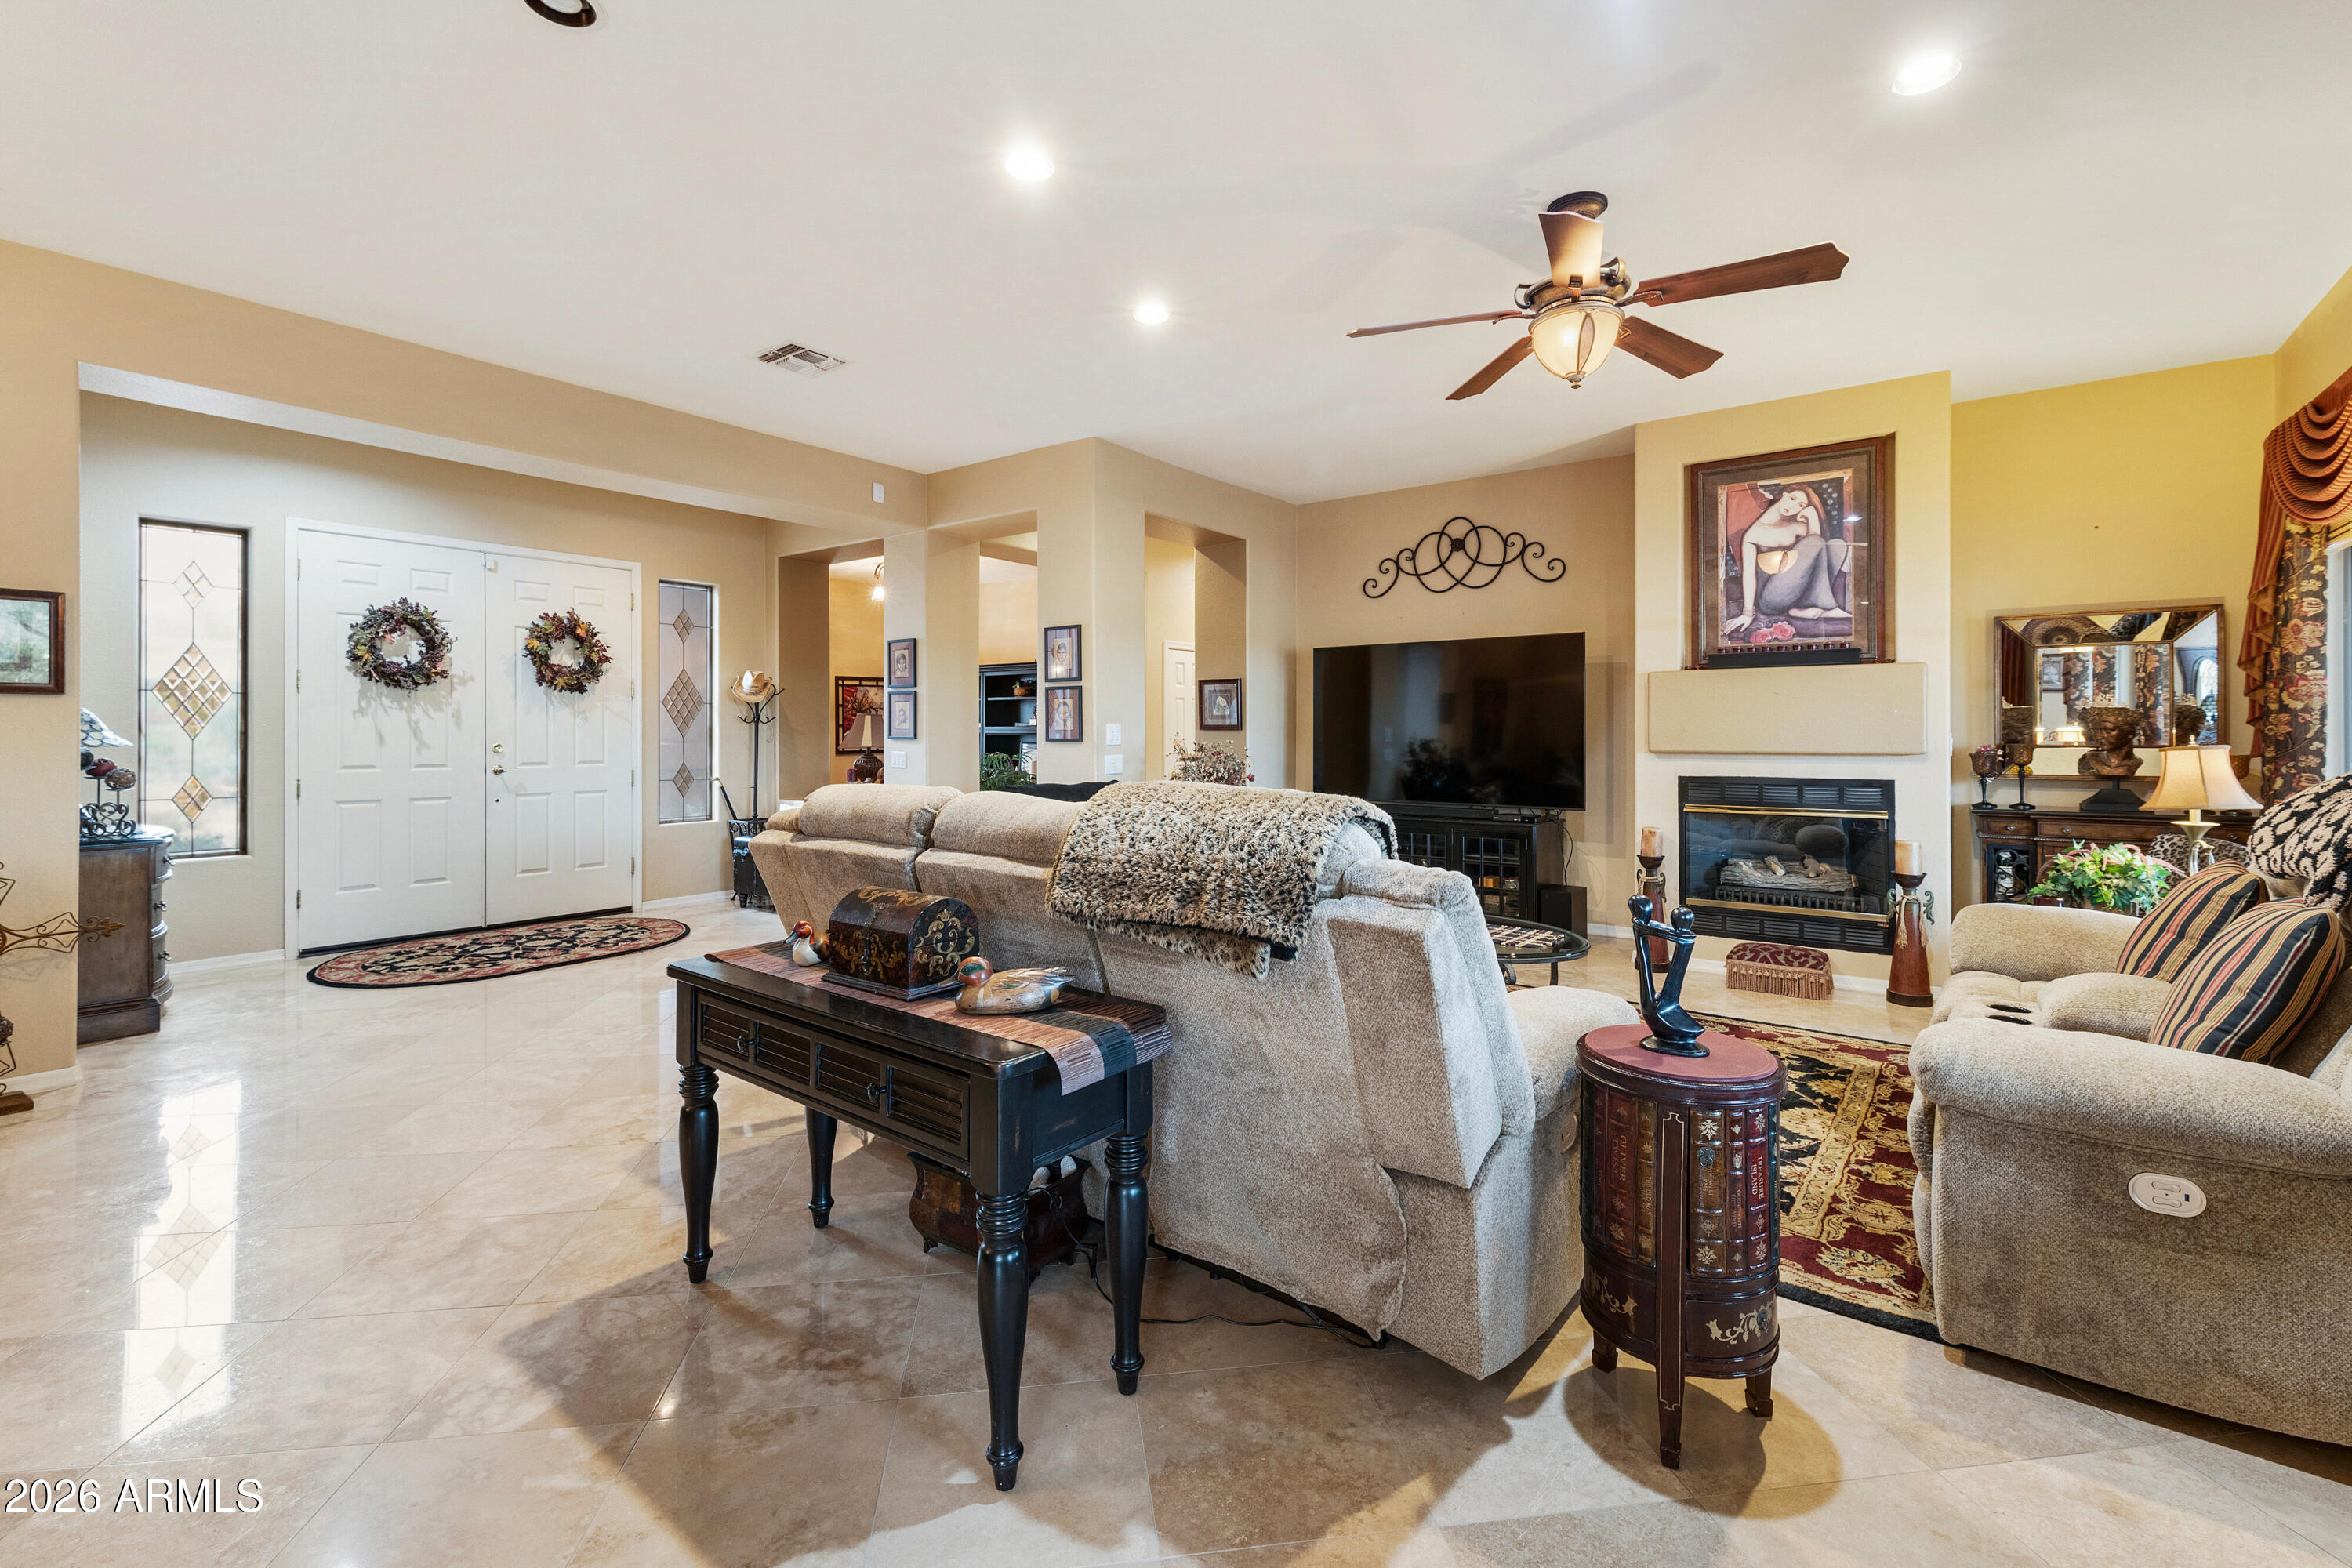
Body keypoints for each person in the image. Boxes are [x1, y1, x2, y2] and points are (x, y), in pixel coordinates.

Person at [1723, 483, 1851, 637]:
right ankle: (1828, 607)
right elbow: (1749, 574)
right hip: (1771, 597)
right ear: (1784, 494)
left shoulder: (1796, 526)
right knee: (1814, 542)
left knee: (1837, 545)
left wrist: (1812, 514)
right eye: (1792, 498)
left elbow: (1819, 551)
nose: (1793, 506)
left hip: (1795, 593)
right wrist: (1747, 613)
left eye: (1800, 505)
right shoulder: (1752, 534)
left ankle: (1799, 609)